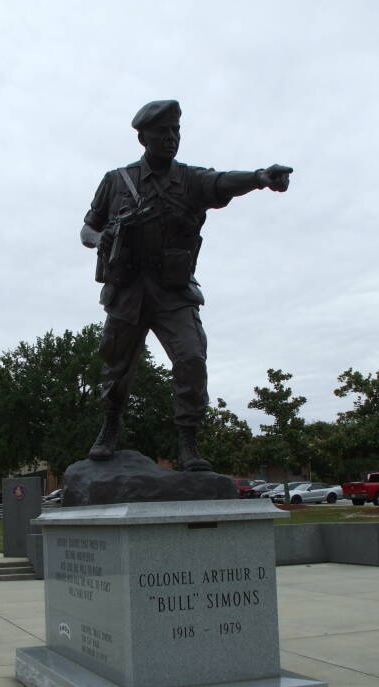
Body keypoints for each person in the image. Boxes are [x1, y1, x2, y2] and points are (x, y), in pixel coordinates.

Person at [81, 99, 292, 471]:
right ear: (143, 137)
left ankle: (188, 443)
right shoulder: (116, 181)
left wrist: (260, 178)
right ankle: (110, 427)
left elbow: (222, 181)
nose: (171, 138)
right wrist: (103, 241)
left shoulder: (190, 180)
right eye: (162, 132)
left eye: (175, 131)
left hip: (172, 292)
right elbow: (87, 227)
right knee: (115, 369)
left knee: (192, 359)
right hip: (127, 291)